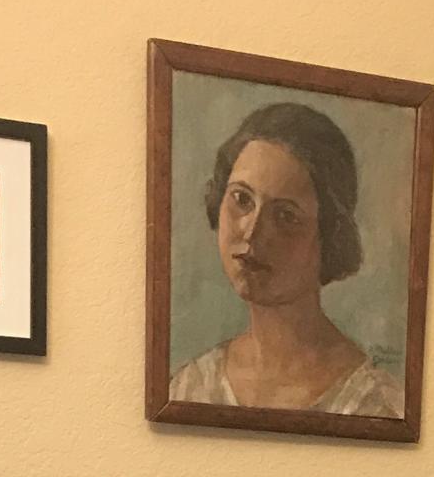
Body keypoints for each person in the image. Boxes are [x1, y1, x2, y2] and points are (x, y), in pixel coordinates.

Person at [168, 102, 404, 417]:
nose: (252, 232)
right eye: (241, 199)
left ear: (329, 237)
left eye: (285, 216)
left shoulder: (374, 405)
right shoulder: (191, 386)